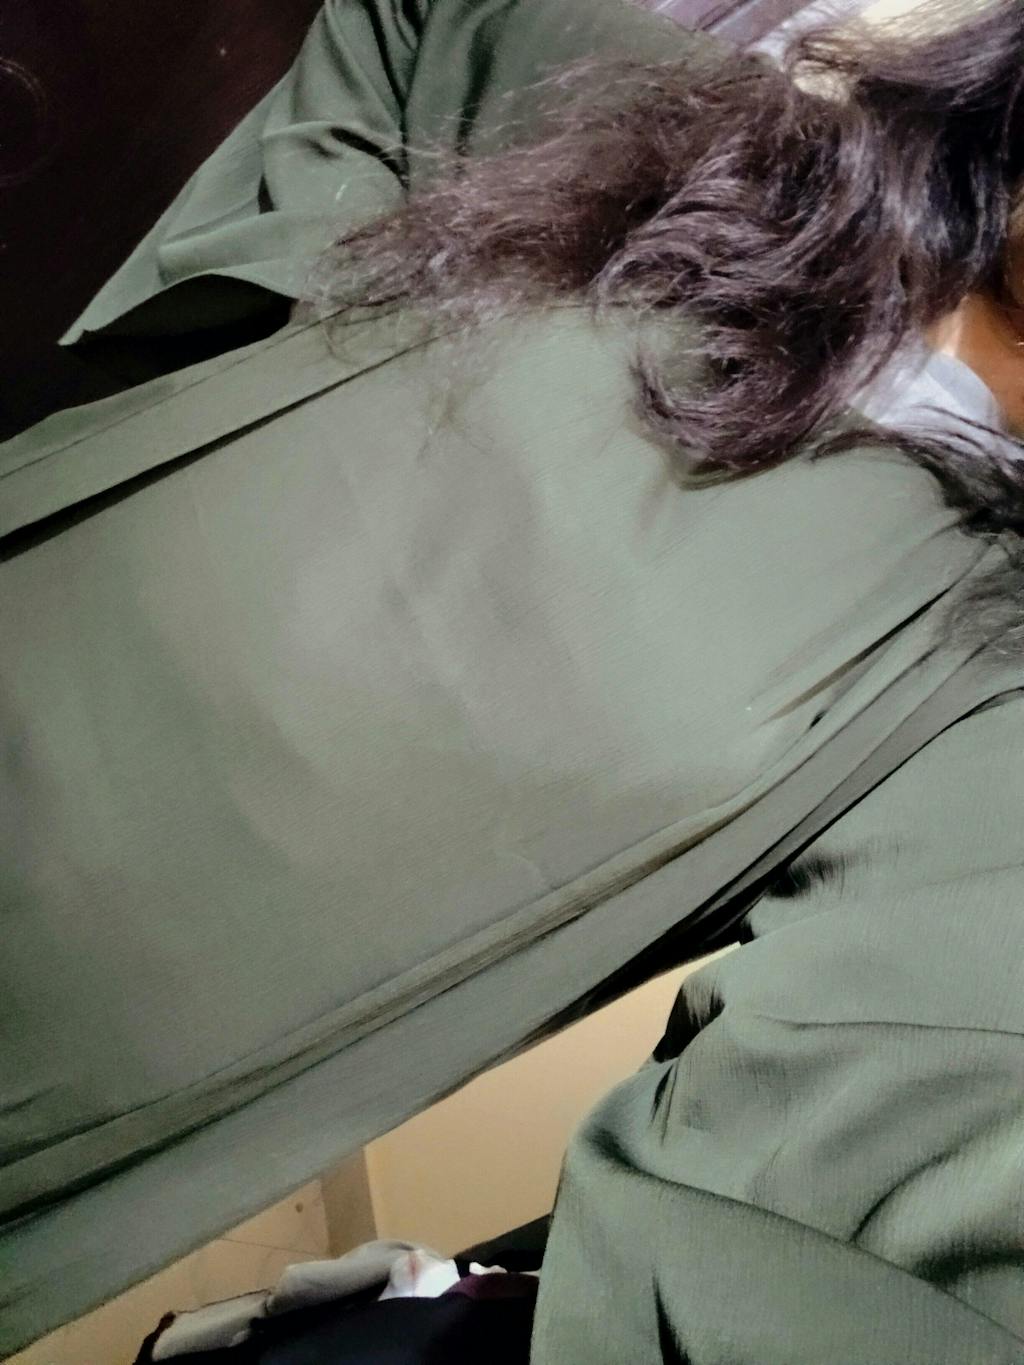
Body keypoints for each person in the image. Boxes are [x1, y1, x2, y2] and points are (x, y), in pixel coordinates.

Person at [2, 0, 1024, 1360]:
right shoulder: (747, 158)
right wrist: (282, 313)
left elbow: (855, 1228)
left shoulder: (980, 694)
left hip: (66, 1032)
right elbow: (408, 27)